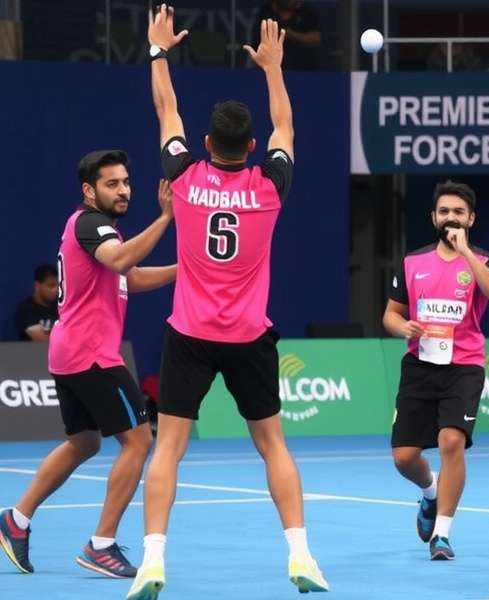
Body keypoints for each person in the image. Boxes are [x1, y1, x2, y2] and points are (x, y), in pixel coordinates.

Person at [127, 7, 327, 599]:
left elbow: (166, 109)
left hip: (190, 334)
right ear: (253, 146)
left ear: (208, 142)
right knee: (273, 445)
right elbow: (285, 124)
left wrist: (158, 52)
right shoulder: (270, 186)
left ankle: (152, 561)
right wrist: (273, 68)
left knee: (169, 448)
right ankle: (301, 554)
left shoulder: (184, 179)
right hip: (248, 336)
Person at [0, 150, 176, 579]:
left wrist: (186, 269)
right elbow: (122, 261)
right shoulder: (91, 224)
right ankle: (101, 544)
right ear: (89, 190)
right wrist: (166, 218)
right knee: (139, 441)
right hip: (92, 354)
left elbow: (130, 276)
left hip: (70, 353)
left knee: (84, 442)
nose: (123, 190)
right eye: (112, 184)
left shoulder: (100, 231)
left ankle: (15, 520)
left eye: (126, 182)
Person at [383, 180, 489, 561]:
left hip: (464, 366)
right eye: (444, 212)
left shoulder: (488, 262)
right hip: (420, 365)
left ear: (471, 218)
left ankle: (442, 534)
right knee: (404, 457)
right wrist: (402, 327)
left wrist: (466, 252)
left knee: (451, 442)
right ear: (433, 217)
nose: (450, 217)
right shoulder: (413, 262)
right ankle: (430, 492)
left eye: (458, 212)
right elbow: (390, 314)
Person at [251, 0, 321, 70]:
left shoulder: (308, 11)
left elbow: (316, 39)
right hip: (270, 69)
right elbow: (256, 43)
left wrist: (291, 34)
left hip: (304, 69)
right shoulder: (266, 11)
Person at [15, 264, 59, 341]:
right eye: (51, 286)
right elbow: (42, 339)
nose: (56, 290)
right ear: (37, 286)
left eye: (57, 286)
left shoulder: (61, 308)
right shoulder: (26, 309)